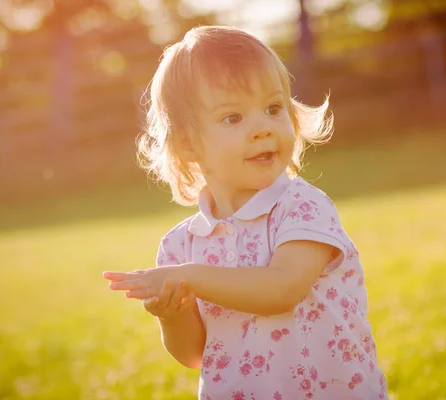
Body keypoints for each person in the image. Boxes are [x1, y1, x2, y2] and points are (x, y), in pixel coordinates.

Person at [103, 25, 388, 400]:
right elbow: (193, 354)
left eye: (273, 109)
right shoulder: (180, 246)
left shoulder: (302, 207)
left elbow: (281, 290)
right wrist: (172, 314)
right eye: (232, 118)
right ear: (188, 143)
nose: (262, 129)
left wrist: (190, 278)